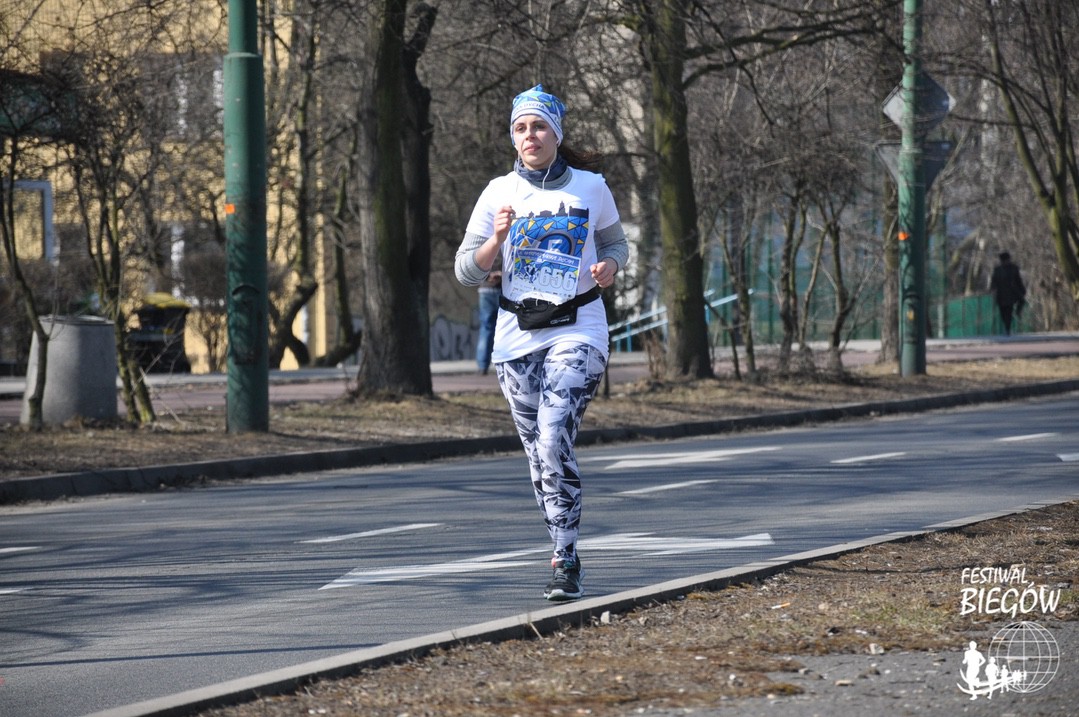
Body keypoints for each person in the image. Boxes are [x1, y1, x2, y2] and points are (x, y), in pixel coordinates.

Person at [454, 84, 629, 601]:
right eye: (520, 128)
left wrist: (609, 265)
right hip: (517, 336)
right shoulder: (498, 192)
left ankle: (565, 558)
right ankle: (561, 547)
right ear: (513, 138)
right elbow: (465, 271)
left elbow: (616, 242)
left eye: (539, 126)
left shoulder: (591, 188)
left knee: (553, 438)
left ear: (556, 133)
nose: (530, 135)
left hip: (579, 326)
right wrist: (496, 240)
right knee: (538, 454)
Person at [989, 251, 1026, 335]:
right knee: (1003, 312)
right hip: (1001, 294)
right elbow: (994, 281)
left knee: (1010, 310)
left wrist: (1022, 290)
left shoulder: (1014, 268)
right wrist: (992, 289)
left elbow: (1018, 280)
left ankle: (1008, 327)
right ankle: (1007, 326)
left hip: (1011, 293)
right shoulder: (998, 270)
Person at [475, 270, 502, 374]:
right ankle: (505, 361)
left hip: (485, 289)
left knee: (486, 329)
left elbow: (475, 267)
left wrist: (488, 276)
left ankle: (482, 366)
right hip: (503, 290)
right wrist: (500, 274)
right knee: (505, 328)